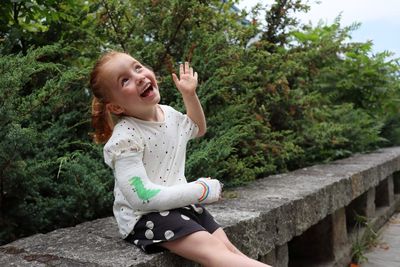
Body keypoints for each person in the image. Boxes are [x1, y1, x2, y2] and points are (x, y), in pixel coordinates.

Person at [89, 51, 271, 267]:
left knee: (229, 250)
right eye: (124, 80)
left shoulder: (168, 114)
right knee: (216, 255)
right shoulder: (125, 138)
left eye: (137, 67)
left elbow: (197, 128)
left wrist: (189, 95)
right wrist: (201, 190)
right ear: (116, 107)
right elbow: (143, 196)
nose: (138, 76)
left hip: (181, 206)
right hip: (145, 217)